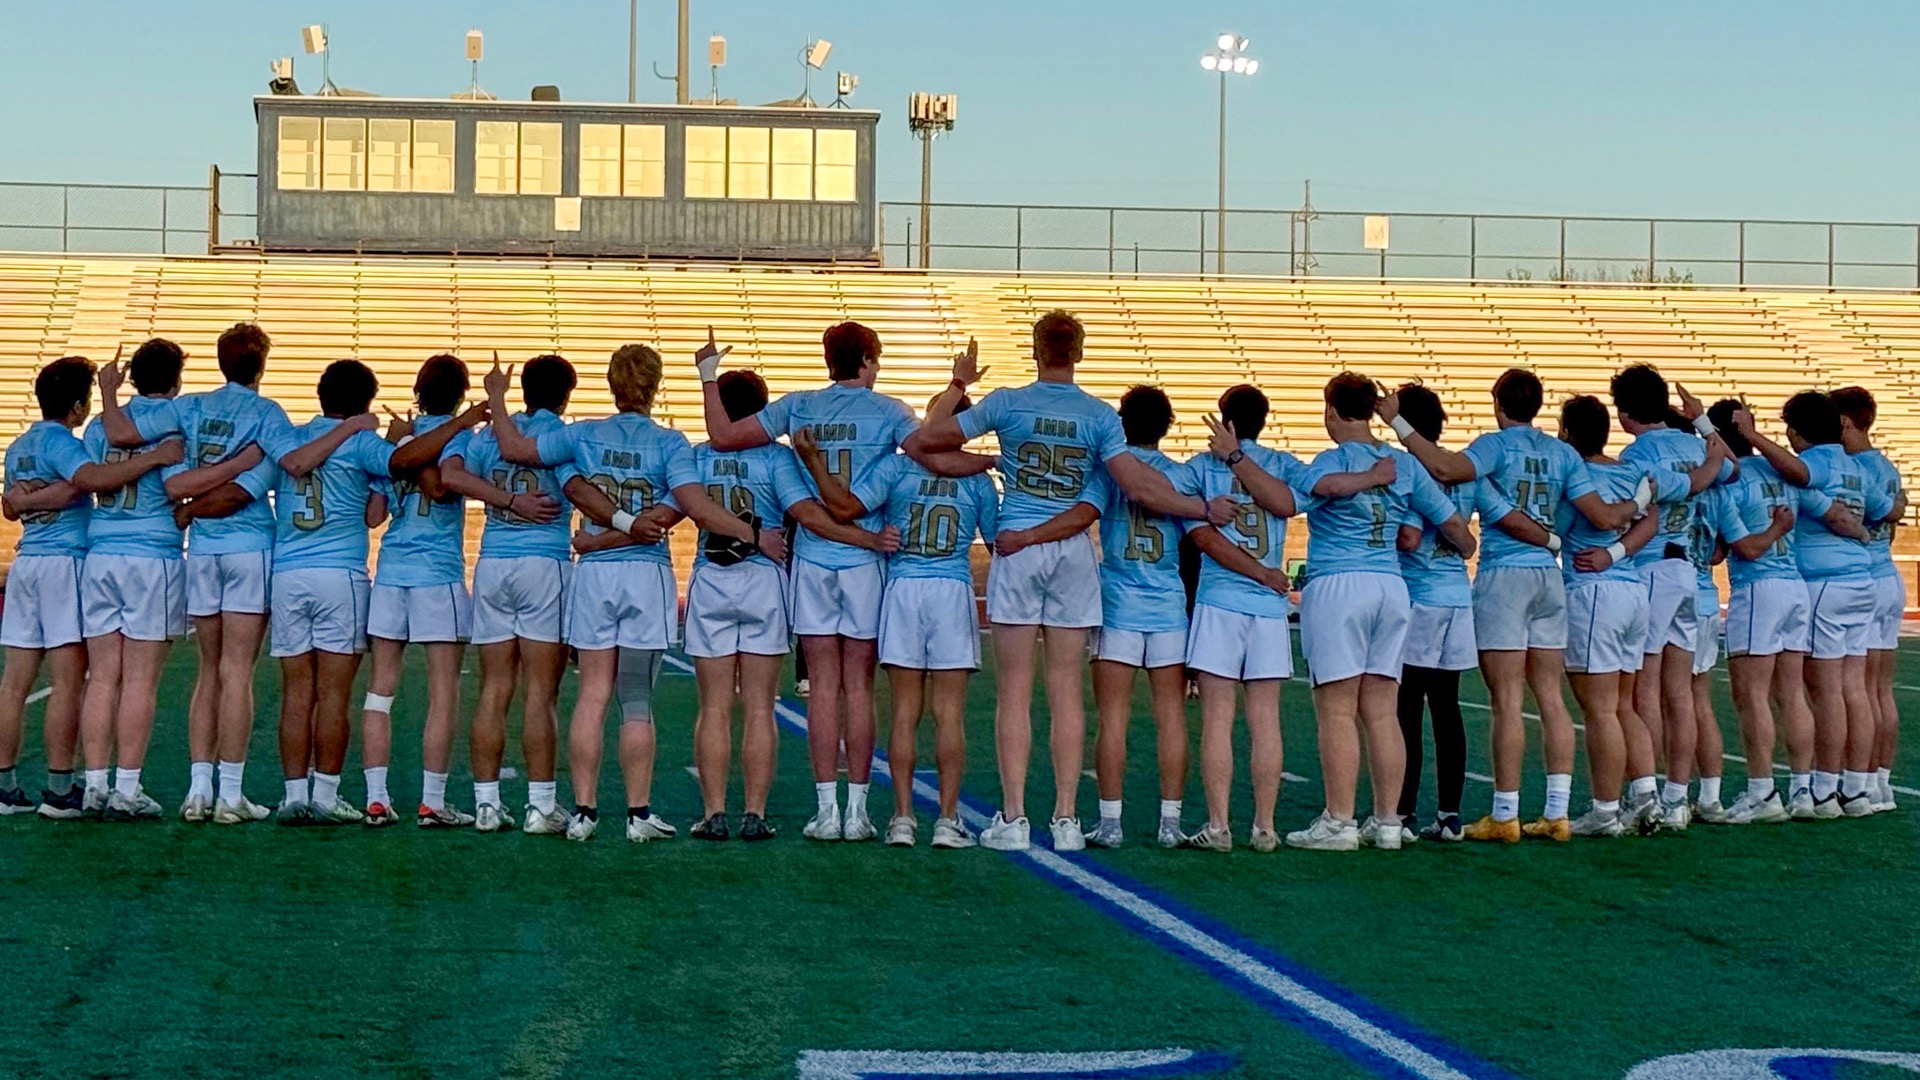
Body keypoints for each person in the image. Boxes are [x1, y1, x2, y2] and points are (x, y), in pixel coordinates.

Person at [902, 312, 1232, 852]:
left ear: (1036, 350)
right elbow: (1135, 486)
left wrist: (962, 392)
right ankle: (1066, 818)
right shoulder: (1099, 415)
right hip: (1072, 551)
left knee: (1014, 692)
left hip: (1017, 542)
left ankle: (1014, 816)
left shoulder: (1007, 403)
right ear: (1079, 352)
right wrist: (1200, 508)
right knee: (1066, 693)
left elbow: (925, 440)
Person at [489, 346, 781, 844]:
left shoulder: (583, 433)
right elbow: (681, 511)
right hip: (645, 575)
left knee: (592, 693)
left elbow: (515, 448)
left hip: (596, 576)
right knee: (637, 698)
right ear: (655, 385)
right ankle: (637, 813)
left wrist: (497, 397)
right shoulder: (671, 443)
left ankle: (584, 812)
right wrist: (752, 534)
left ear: (611, 385)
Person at [1380, 368, 1636, 842]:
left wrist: (1398, 423)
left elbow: (1446, 470)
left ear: (1499, 403)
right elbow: (1597, 513)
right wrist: (1636, 505)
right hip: (1549, 577)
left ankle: (1505, 812)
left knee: (1508, 700)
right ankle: (1557, 811)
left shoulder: (1495, 446)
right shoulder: (1563, 453)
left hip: (1506, 575)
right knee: (1552, 699)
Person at [799, 393, 1065, 848]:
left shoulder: (897, 467)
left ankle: (902, 818)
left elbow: (845, 506)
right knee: (948, 714)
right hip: (951, 588)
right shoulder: (978, 481)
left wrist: (814, 461)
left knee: (904, 712)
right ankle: (946, 818)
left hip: (904, 587)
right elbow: (997, 543)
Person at [695, 323, 917, 843]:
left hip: (814, 560)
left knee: (820, 686)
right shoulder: (890, 411)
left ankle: (826, 811)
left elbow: (723, 437)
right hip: (862, 561)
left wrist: (707, 375)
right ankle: (857, 810)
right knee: (858, 687)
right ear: (867, 359)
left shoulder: (799, 406)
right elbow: (930, 451)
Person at [262, 360, 474, 826]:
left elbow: (377, 503)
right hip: (355, 573)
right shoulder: (365, 443)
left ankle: (301, 795)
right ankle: (332, 795)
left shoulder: (290, 437)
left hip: (292, 572)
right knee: (340, 694)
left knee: (306, 692)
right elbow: (387, 495)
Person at [1182, 385, 1389, 852]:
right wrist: (1373, 476)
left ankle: (1219, 826)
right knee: (1265, 720)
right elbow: (1308, 494)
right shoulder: (1283, 463)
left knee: (1217, 719)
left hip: (1221, 600)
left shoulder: (1201, 466)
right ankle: (1265, 827)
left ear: (1225, 419)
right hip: (1267, 607)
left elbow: (1202, 535)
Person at [1286, 374, 1477, 851]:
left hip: (1339, 583)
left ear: (1332, 411)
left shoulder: (1331, 459)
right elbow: (1457, 529)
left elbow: (1298, 496)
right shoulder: (1405, 465)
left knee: (1336, 709)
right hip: (1391, 586)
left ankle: (1339, 821)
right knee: (1382, 710)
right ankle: (1389, 821)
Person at [0, 357, 166, 818]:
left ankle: (5, 787)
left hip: (28, 562)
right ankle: (59, 789)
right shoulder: (63, 444)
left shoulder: (19, 446)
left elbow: (10, 505)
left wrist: (26, 501)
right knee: (68, 683)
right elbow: (87, 482)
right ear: (77, 406)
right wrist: (153, 458)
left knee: (13, 684)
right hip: (65, 560)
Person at [141, 323, 288, 824]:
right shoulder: (267, 413)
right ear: (261, 366)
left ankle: (198, 789)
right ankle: (230, 793)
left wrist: (189, 508)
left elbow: (152, 452)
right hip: (248, 548)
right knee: (237, 671)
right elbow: (243, 491)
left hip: (202, 551)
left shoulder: (190, 407)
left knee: (209, 671)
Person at [1731, 393, 1887, 817]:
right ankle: (1856, 789)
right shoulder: (1856, 465)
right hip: (1862, 579)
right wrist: (1862, 533)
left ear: (1798, 431)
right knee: (1856, 689)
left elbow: (1802, 474)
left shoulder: (1815, 462)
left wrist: (1753, 437)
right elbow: (1884, 508)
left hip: (1823, 581)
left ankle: (1822, 790)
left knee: (1827, 691)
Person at [440, 355, 575, 833]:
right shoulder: (562, 436)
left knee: (493, 688)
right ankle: (541, 805)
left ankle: (486, 805)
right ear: (566, 396)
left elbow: (452, 475)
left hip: (494, 561)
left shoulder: (488, 435)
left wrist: (503, 501)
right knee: (541, 693)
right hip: (544, 562)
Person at [1386, 384, 1522, 842]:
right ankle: (1449, 814)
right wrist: (1548, 540)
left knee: (1407, 707)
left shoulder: (1411, 468)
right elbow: (1503, 515)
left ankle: (1403, 812)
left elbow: (1408, 537)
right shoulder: (1466, 472)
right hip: (1456, 596)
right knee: (1447, 707)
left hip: (1419, 594)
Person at [362, 355, 487, 827]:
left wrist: (401, 447)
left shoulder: (400, 439)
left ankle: (376, 797)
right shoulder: (461, 436)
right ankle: (432, 801)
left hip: (392, 569)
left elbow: (374, 515)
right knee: (443, 693)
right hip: (436, 571)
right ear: (460, 394)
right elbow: (442, 488)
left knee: (380, 691)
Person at [72, 341, 190, 818]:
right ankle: (126, 787)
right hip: (151, 555)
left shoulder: (99, 425)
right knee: (140, 680)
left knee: (102, 677)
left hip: (101, 552)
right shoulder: (175, 418)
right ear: (175, 380)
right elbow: (178, 484)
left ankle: (94, 785)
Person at [1610, 365, 1731, 830]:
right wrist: (1702, 422)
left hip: (1653, 568)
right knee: (1680, 693)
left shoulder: (1637, 454)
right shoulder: (1696, 444)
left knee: (1645, 690)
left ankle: (1650, 795)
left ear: (1626, 412)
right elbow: (1730, 467)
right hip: (1690, 571)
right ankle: (1678, 798)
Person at [1088, 386, 1201, 848]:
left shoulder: (1111, 470)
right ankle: (1170, 823)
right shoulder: (1182, 476)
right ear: (1167, 425)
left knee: (1112, 718)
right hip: (1168, 604)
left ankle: (1110, 822)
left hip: (1117, 603)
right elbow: (1195, 549)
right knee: (1171, 718)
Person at [1552, 396, 1659, 838]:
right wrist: (1617, 553)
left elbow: (1557, 528)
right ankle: (1646, 798)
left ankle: (1605, 809)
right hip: (1632, 587)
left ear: (1568, 432)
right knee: (1622, 705)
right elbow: (1651, 521)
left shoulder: (1576, 474)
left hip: (1594, 591)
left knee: (1599, 709)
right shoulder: (1629, 471)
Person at [1708, 398, 1810, 824]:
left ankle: (1762, 791)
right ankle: (1803, 790)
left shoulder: (1732, 481)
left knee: (1751, 696)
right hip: (1794, 584)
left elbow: (1737, 549)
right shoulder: (1778, 470)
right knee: (1791, 694)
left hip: (1759, 587)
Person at [1831, 386, 1905, 811]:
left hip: (1863, 576)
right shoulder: (1886, 465)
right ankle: (1880, 783)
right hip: (1887, 574)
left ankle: (1856, 778)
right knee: (1880, 689)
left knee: (1854, 688)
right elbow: (1893, 514)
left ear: (1844, 423)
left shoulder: (1852, 467)